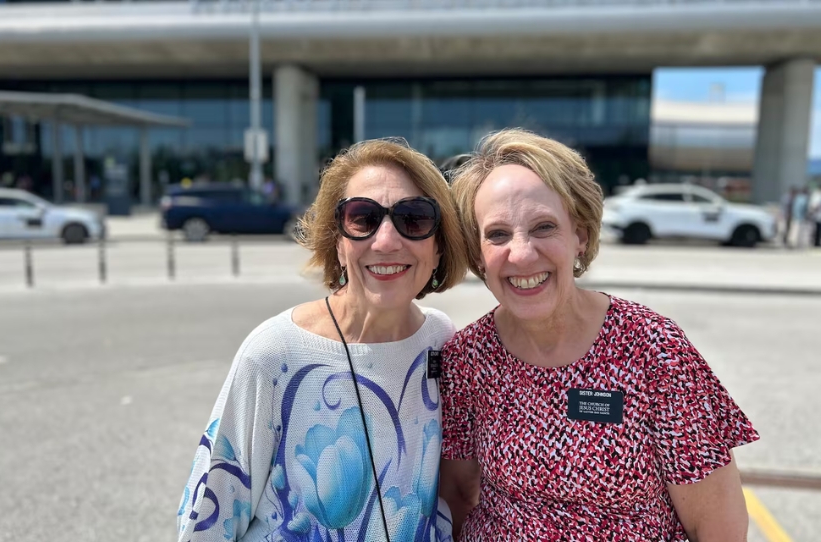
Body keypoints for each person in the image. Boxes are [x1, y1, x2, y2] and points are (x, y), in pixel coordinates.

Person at [439, 128, 759, 541]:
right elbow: (458, 496)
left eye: (543, 227)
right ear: (478, 254)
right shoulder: (467, 356)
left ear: (581, 235)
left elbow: (718, 525)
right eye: (497, 234)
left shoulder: (653, 348)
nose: (521, 253)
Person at [177, 138, 469, 542]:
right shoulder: (275, 353)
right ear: (337, 242)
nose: (386, 241)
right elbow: (208, 520)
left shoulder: (440, 340)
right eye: (363, 218)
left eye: (414, 219)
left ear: (439, 247)